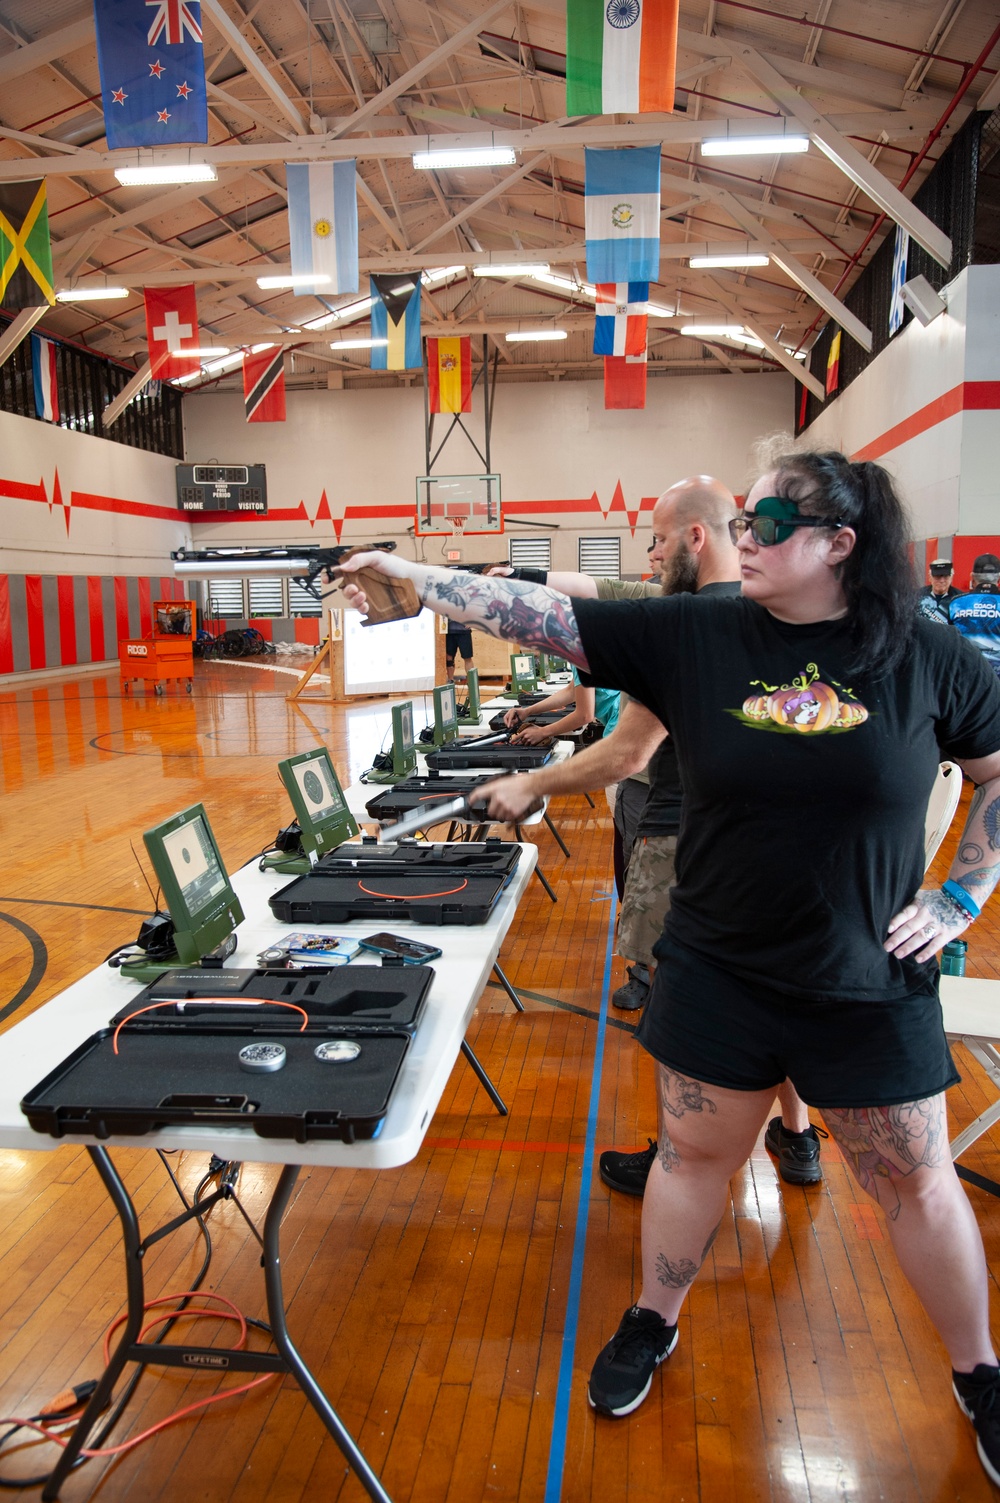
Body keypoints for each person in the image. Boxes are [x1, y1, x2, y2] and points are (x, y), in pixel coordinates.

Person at [337, 451, 1000, 1486]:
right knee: (692, 1162)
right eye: (748, 511)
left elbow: (997, 769)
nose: (749, 529)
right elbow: (538, 611)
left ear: (839, 543)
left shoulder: (926, 657)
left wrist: (958, 894)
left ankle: (979, 1374)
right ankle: (653, 1316)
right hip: (717, 969)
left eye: (776, 517)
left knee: (918, 1184)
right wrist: (415, 575)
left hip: (862, 980)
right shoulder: (697, 633)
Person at [493, 476, 825, 1191]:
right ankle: (797, 1138)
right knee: (777, 1001)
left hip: (683, 844)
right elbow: (606, 587)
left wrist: (529, 784)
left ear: (695, 538)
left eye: (658, 539)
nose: (649, 555)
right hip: (771, 851)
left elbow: (627, 752)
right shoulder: (777, 613)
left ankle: (678, 1156)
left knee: (678, 1017)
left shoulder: (681, 627)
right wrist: (521, 574)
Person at [950, 555, 1000, 679]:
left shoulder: (956, 603)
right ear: (998, 577)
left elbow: (949, 641)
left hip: (964, 677)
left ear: (972, 577)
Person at [918, 558, 961, 625]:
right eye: (937, 576)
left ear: (951, 578)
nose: (942, 581)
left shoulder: (959, 599)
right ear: (930, 577)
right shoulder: (918, 596)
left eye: (946, 576)